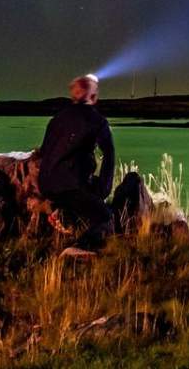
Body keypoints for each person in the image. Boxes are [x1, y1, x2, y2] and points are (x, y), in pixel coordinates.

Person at [36, 73, 116, 248]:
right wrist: (105, 189)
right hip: (71, 186)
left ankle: (62, 212)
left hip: (47, 185)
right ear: (93, 96)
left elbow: (44, 151)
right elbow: (109, 153)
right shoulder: (97, 120)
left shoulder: (56, 119)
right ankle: (79, 248)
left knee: (81, 196)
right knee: (105, 218)